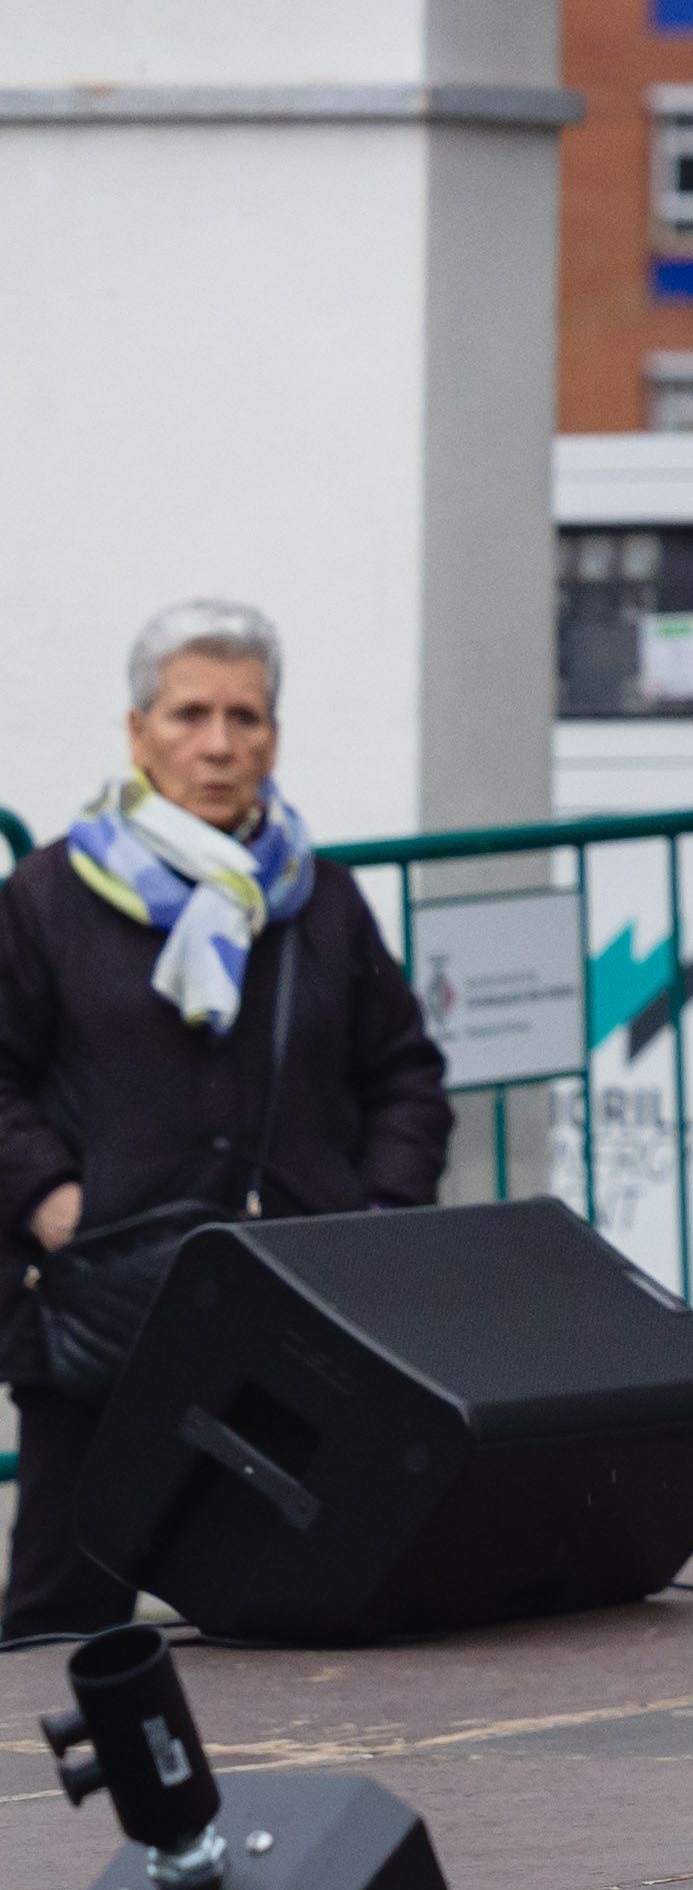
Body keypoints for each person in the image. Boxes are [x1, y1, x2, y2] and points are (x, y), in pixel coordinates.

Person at [0, 606, 447, 1641]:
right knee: (61, 1619)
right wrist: (57, 1203)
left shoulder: (322, 900)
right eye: (188, 714)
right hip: (103, 1306)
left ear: (273, 740)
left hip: (298, 1313)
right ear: (138, 731)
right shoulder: (48, 897)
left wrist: (376, 1216)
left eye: (244, 717)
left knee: (293, 1609)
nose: (217, 744)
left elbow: (405, 1077)